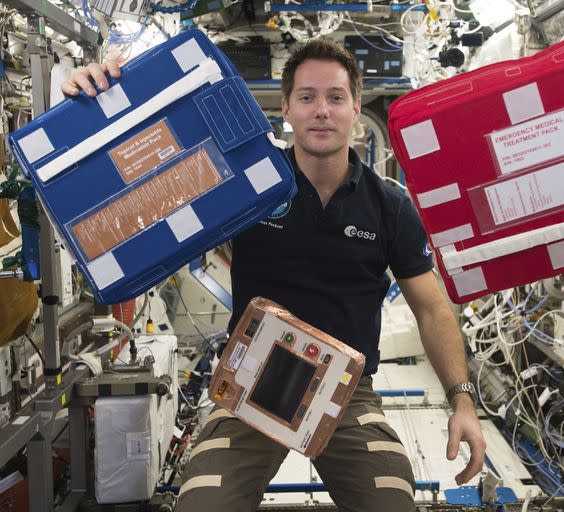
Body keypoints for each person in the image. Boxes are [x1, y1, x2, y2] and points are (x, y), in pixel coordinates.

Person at [62, 37, 485, 511]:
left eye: (335, 97)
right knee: (203, 505)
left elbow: (431, 310)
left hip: (347, 395)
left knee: (390, 503)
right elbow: (148, 179)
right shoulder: (247, 186)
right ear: (287, 109)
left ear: (355, 108)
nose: (321, 110)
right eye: (306, 97)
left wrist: (462, 401)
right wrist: (96, 107)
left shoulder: (390, 207)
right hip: (249, 385)